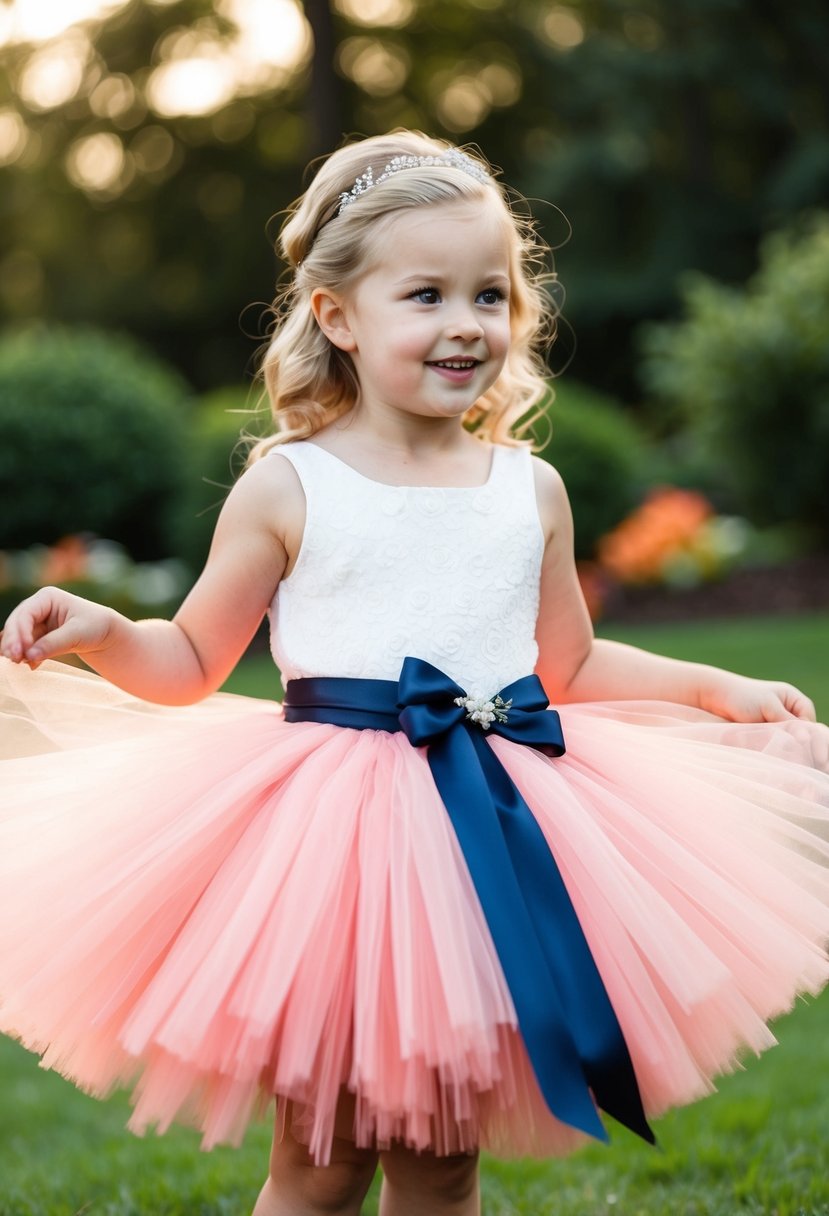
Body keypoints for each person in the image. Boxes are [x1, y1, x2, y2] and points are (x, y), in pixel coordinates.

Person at [1, 130, 828, 1216]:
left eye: (489, 294)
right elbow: (195, 660)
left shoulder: (527, 489)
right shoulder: (289, 486)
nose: (463, 323)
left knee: (443, 1159)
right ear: (338, 315)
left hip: (498, 830)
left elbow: (566, 660)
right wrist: (110, 629)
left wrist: (710, 688)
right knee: (326, 1158)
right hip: (332, 853)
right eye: (425, 294)